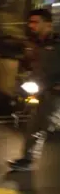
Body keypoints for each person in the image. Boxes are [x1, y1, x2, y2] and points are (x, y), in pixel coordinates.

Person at [8, 9, 60, 171]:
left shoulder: (57, 43)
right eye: (30, 22)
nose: (32, 25)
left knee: (48, 125)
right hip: (43, 92)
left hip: (56, 93)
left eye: (36, 22)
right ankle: (27, 159)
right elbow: (31, 65)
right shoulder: (35, 43)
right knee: (36, 125)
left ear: (48, 24)